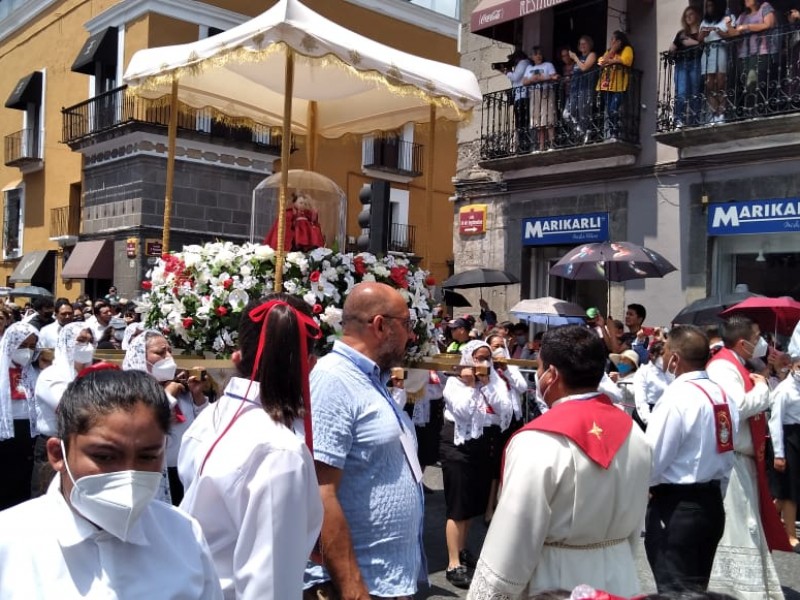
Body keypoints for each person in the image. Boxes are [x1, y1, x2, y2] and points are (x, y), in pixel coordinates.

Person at [0, 368, 223, 599]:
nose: (128, 473)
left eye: (147, 457)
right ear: (58, 454)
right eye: (104, 456)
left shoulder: (183, 534)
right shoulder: (9, 542)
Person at [467, 325, 651, 598]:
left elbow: (513, 539)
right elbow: (636, 526)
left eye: (539, 369)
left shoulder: (537, 441)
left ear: (551, 375)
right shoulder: (634, 433)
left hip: (556, 582)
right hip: (619, 576)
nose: (538, 376)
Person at [180, 296, 323, 599]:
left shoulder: (208, 417)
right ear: (310, 365)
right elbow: (269, 586)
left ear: (236, 356)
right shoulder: (280, 452)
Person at [305, 282, 424, 600]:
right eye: (407, 324)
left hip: (384, 580)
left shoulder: (371, 379)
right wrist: (352, 586)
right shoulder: (333, 380)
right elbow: (320, 490)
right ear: (381, 325)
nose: (411, 336)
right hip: (358, 585)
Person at [645, 326, 737, 593]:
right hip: (710, 503)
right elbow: (726, 455)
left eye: (664, 352)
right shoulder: (724, 396)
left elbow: (653, 460)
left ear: (674, 358)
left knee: (673, 589)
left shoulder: (676, 397)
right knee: (696, 589)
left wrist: (645, 488)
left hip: (677, 506)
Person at [707, 316, 790, 600]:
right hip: (731, 462)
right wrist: (762, 388)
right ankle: (736, 592)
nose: (762, 343)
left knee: (749, 526)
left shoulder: (739, 365)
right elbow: (735, 408)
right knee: (739, 528)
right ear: (743, 343)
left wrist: (769, 378)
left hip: (744, 459)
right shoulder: (721, 366)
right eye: (757, 338)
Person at [441, 340, 512, 588]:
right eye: (478, 357)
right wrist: (471, 384)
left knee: (471, 505)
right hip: (458, 445)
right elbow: (462, 412)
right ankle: (453, 562)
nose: (483, 363)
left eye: (487, 358)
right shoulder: (453, 382)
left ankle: (462, 549)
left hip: (484, 444)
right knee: (458, 505)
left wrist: (486, 385)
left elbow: (505, 410)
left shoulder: (494, 382)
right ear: (468, 358)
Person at [123, 330, 208, 505]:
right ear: (141, 357)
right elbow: (140, 425)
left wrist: (198, 398)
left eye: (169, 351)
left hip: (185, 472)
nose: (168, 356)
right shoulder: (130, 391)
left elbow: (201, 426)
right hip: (153, 475)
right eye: (160, 353)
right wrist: (167, 398)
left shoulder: (180, 387)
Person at [32, 322, 96, 497]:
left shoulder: (92, 375)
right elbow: (73, 408)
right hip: (54, 445)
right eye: (81, 341)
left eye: (91, 341)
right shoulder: (52, 375)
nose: (87, 346)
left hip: (82, 446)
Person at [0, 322, 39, 510]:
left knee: (22, 481)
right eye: (23, 346)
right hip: (4, 431)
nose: (27, 352)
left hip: (27, 432)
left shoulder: (32, 372)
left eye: (32, 347)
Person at [767, 354, 800, 551]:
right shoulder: (784, 389)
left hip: (798, 436)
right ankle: (790, 535)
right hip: (787, 438)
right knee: (789, 491)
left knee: (787, 492)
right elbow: (775, 422)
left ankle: (765, 522)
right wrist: (779, 453)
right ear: (792, 366)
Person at [732, 0, 777, 113]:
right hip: (744, 55)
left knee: (756, 83)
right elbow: (735, 33)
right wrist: (728, 25)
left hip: (761, 52)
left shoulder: (765, 7)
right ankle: (750, 112)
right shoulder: (742, 16)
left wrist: (746, 27)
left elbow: (768, 24)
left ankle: (758, 112)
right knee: (747, 86)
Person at [596, 30, 635, 140]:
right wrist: (612, 52)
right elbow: (601, 62)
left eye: (613, 40)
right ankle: (613, 132)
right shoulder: (608, 51)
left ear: (619, 41)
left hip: (619, 85)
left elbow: (627, 60)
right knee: (609, 110)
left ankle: (615, 132)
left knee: (613, 108)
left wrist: (612, 61)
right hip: (606, 85)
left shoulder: (627, 49)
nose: (611, 42)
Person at [670, 6, 703, 127]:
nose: (688, 17)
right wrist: (674, 49)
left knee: (695, 91)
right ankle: (679, 119)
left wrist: (692, 42)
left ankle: (695, 119)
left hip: (695, 63)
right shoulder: (681, 34)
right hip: (682, 64)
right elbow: (672, 49)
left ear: (696, 16)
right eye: (686, 15)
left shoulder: (701, 32)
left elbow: (705, 45)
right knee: (682, 92)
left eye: (691, 14)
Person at [700, 0, 731, 124]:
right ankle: (713, 113)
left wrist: (719, 31)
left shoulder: (726, 19)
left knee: (721, 83)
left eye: (711, 5)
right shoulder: (704, 22)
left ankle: (721, 113)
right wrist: (703, 33)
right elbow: (699, 39)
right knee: (709, 84)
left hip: (721, 50)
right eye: (707, 6)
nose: (708, 8)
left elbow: (731, 36)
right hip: (708, 52)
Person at [523, 46, 559, 151]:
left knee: (548, 118)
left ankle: (552, 144)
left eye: (539, 54)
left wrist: (544, 78)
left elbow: (555, 77)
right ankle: (541, 146)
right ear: (532, 57)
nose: (538, 56)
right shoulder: (529, 68)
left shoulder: (548, 65)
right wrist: (532, 79)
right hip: (535, 94)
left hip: (546, 92)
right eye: (535, 54)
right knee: (537, 121)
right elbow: (524, 82)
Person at [567, 35, 598, 142]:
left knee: (583, 114)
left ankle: (586, 137)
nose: (582, 45)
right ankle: (580, 132)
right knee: (566, 114)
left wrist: (575, 58)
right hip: (574, 90)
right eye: (580, 44)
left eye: (585, 43)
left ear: (590, 45)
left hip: (585, 88)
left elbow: (584, 68)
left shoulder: (592, 55)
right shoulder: (579, 59)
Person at [633, 341, 669, 429]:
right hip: (648, 414)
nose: (666, 358)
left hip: (665, 414)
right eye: (662, 355)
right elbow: (641, 401)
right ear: (652, 355)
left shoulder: (670, 373)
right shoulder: (643, 372)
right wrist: (649, 421)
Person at [502, 49, 533, 153]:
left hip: (522, 96)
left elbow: (515, 78)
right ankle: (522, 143)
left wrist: (507, 72)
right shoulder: (524, 64)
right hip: (520, 95)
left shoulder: (523, 63)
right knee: (521, 123)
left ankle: (524, 144)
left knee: (522, 122)